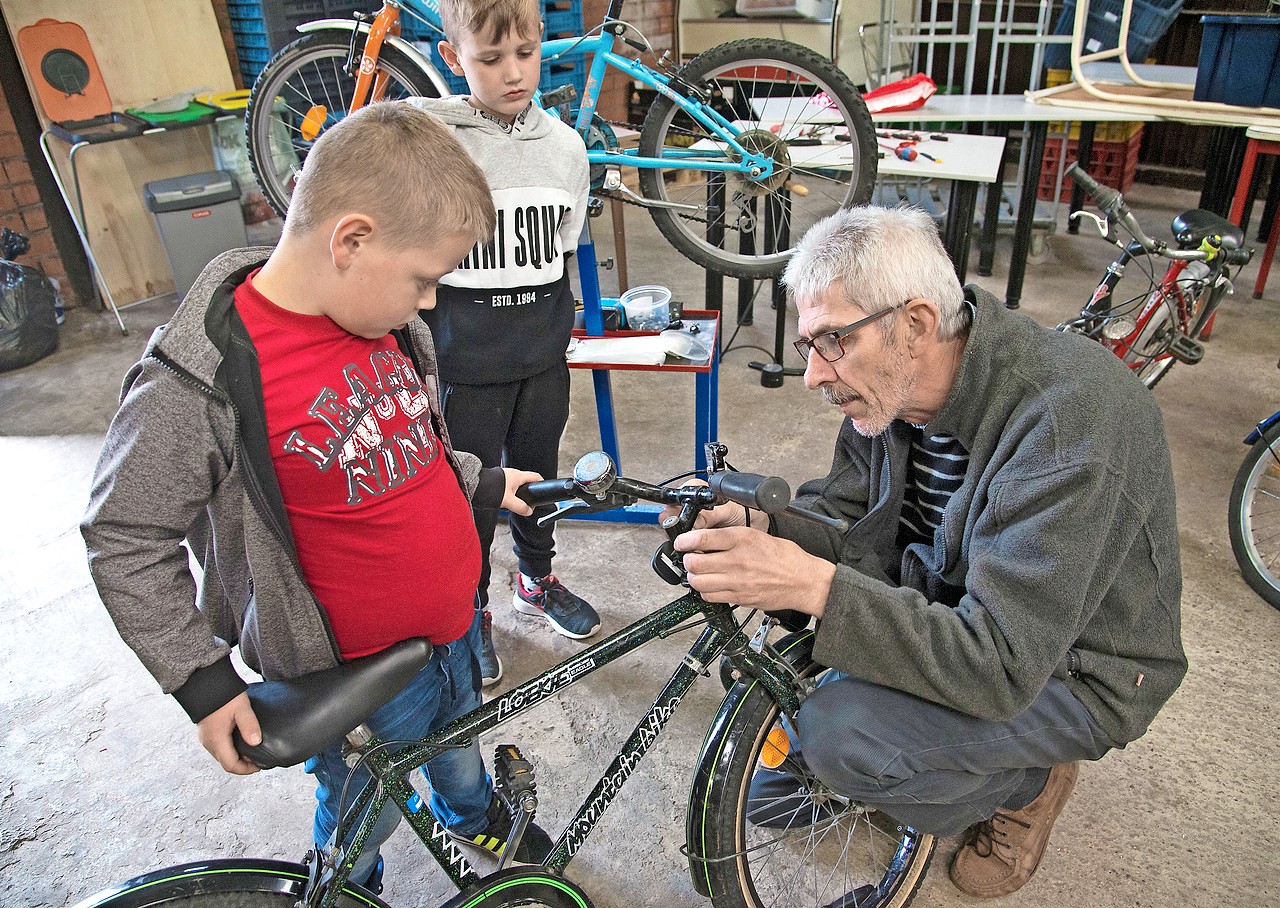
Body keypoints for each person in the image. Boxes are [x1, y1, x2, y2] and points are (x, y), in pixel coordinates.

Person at [80, 101, 552, 893]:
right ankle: (346, 883)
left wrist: (484, 481)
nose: (432, 301)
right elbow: (124, 533)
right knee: (364, 801)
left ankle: (471, 814)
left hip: (453, 630)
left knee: (460, 743)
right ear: (352, 240)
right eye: (425, 279)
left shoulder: (387, 324)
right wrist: (202, 679)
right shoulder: (208, 373)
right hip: (354, 679)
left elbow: (406, 440)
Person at [670, 205, 1187, 898]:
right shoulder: (891, 391)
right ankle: (929, 748)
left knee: (842, 737)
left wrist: (816, 587)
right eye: (808, 345)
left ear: (914, 324)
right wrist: (765, 529)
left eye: (832, 341)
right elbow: (849, 522)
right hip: (953, 606)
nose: (816, 376)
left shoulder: (1071, 424)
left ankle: (1028, 784)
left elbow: (1000, 662)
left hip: (1069, 667)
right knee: (780, 713)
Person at [408, 0, 597, 689]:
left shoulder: (567, 149)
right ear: (453, 59)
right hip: (465, 361)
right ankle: (471, 612)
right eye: (490, 59)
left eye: (525, 54)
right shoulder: (435, 144)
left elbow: (562, 248)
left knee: (540, 482)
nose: (513, 73)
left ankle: (537, 581)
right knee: (474, 495)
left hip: (542, 358)